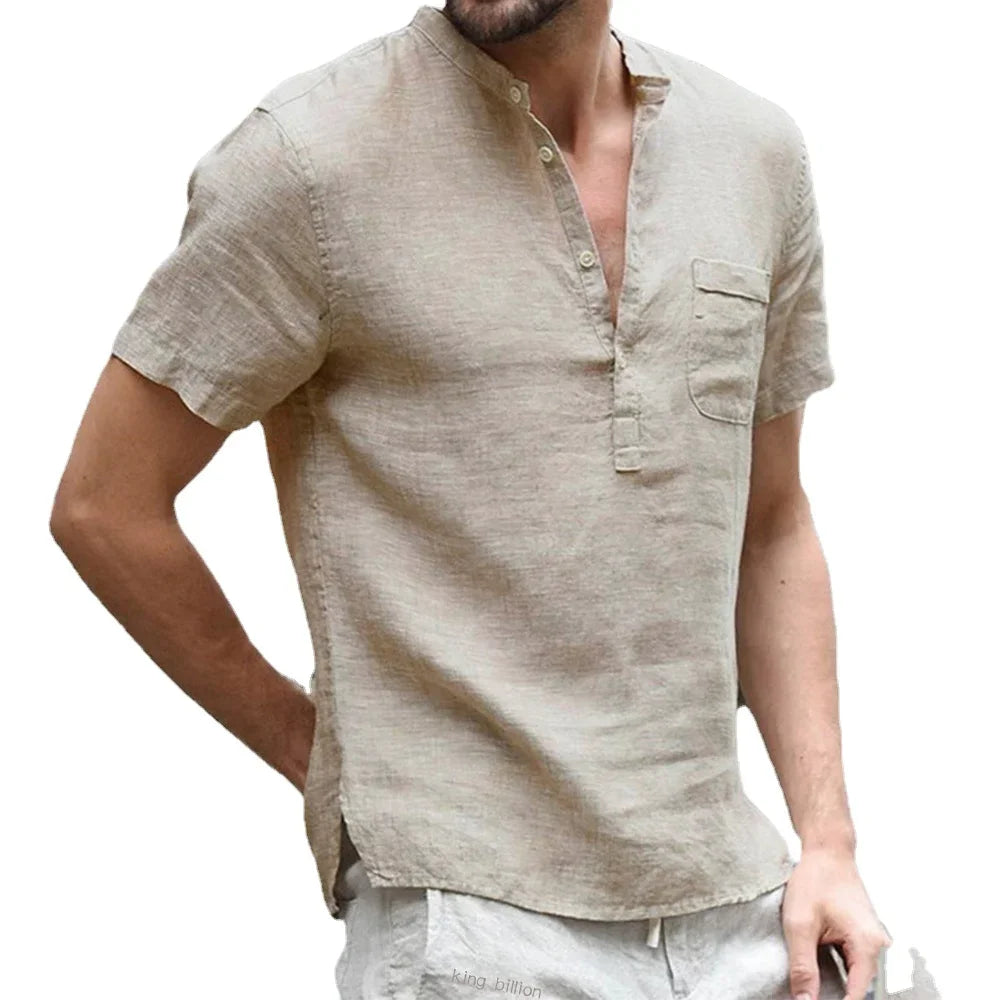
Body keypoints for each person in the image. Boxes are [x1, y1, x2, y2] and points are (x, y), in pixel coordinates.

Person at [49, 2, 892, 998]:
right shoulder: (305, 161)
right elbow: (106, 505)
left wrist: (828, 843)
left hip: (735, 899)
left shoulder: (751, 152)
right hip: (467, 922)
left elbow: (771, 526)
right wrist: (317, 756)